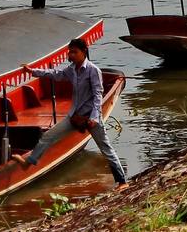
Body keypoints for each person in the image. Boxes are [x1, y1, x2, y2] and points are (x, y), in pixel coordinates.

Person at [11, 37, 126, 185]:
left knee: (106, 149)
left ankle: (122, 182)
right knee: (47, 137)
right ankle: (28, 163)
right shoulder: (71, 70)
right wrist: (32, 71)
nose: (70, 55)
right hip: (75, 116)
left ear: (83, 52)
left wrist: (94, 118)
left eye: (74, 52)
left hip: (92, 117)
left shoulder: (93, 71)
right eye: (69, 52)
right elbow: (54, 74)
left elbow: (98, 95)